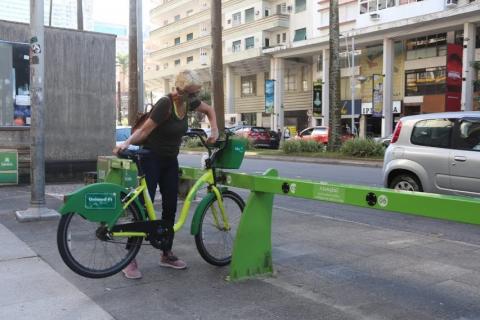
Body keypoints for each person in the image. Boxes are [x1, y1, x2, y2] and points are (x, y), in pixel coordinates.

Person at [113, 70, 219, 279]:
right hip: (151, 159)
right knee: (144, 207)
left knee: (170, 206)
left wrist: (214, 130)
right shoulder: (165, 104)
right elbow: (144, 131)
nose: (195, 98)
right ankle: (130, 259)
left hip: (170, 161)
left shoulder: (189, 102)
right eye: (192, 93)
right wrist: (125, 144)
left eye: (196, 93)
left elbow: (210, 110)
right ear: (180, 91)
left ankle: (166, 253)